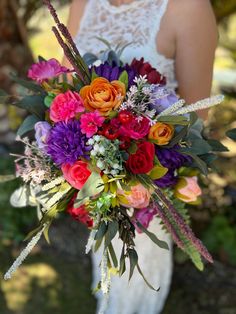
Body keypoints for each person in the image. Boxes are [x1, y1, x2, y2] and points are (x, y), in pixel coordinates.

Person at [63, 1, 218, 313]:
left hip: (147, 190)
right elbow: (66, 93)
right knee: (107, 274)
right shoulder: (83, 3)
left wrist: (134, 175)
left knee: (137, 284)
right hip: (97, 187)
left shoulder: (189, 8)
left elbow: (194, 126)